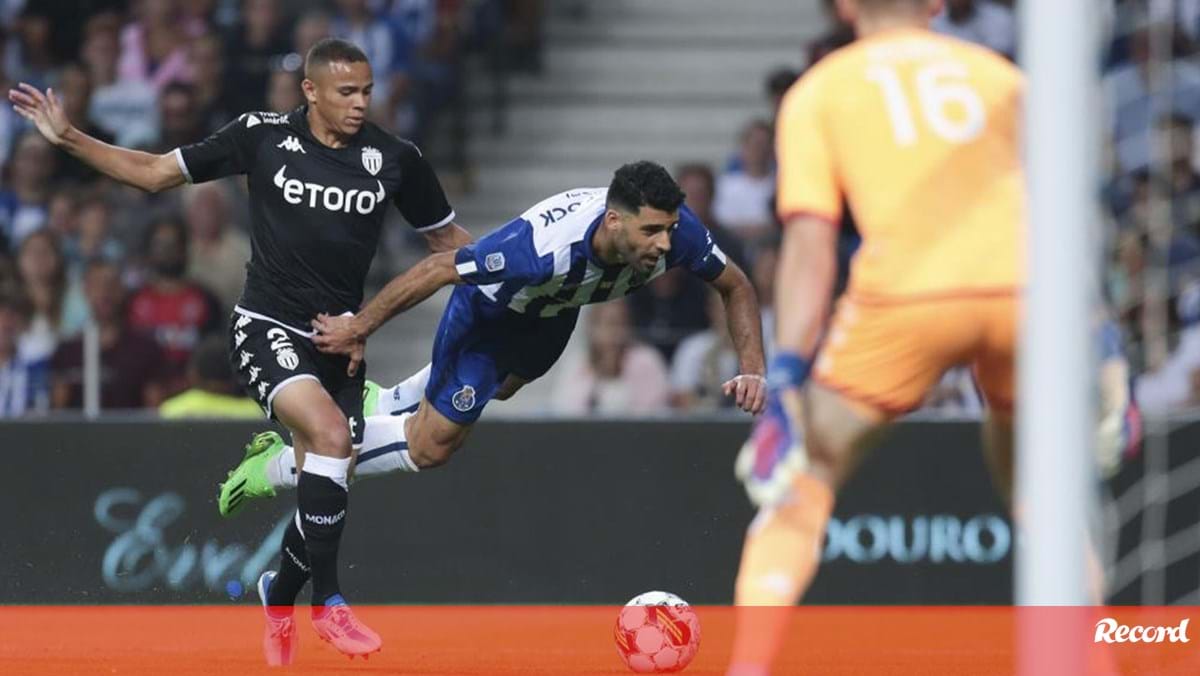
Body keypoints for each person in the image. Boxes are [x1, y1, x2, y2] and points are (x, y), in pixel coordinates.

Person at [9, 37, 470, 664]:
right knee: (333, 438)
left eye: (365, 91)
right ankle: (328, 603)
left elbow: (451, 246)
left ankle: (277, 593)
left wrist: (521, 279)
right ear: (310, 92)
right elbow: (153, 173)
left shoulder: (396, 159)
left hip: (339, 341)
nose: (362, 103)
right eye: (346, 93)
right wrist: (69, 139)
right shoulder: (261, 135)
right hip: (265, 325)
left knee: (330, 474)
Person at [725, 2, 1026, 673]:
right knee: (1041, 486)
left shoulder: (820, 90)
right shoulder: (1001, 76)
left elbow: (810, 247)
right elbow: (1057, 206)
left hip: (907, 298)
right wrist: (1099, 340)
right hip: (1023, 291)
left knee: (806, 475)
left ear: (845, 5)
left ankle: (748, 667)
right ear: (939, 4)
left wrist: (790, 379)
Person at [216, 161, 767, 519]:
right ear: (614, 222)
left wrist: (752, 367)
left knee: (502, 391)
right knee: (433, 447)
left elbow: (736, 286)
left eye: (670, 229)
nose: (665, 244)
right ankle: (278, 465)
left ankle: (382, 403)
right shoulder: (536, 250)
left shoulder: (680, 234)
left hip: (555, 314)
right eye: (652, 232)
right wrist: (358, 327)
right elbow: (438, 268)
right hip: (493, 314)